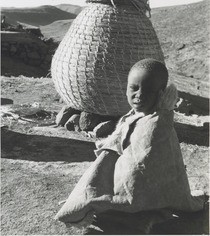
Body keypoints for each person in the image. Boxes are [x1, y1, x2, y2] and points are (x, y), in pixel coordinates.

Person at [55, 58, 205, 234]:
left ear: (161, 94)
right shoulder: (137, 114)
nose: (139, 95)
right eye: (134, 88)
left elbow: (142, 163)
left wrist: (114, 162)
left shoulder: (157, 124)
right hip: (138, 183)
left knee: (116, 201)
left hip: (146, 186)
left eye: (148, 90)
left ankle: (123, 208)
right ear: (126, 88)